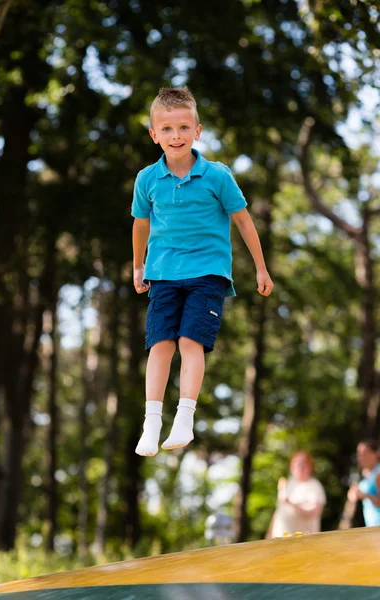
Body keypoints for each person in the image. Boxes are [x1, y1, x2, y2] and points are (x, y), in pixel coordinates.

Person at [132, 86, 274, 457]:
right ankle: (151, 420)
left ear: (197, 131)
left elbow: (243, 221)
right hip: (162, 272)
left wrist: (261, 268)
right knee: (160, 344)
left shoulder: (217, 176)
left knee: (189, 342)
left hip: (207, 273)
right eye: (166, 129)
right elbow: (140, 225)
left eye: (183, 127)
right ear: (154, 134)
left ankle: (184, 416)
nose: (175, 136)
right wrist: (138, 264)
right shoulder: (147, 179)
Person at [266, 451, 326, 538]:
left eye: (303, 463)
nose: (300, 466)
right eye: (297, 463)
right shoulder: (289, 484)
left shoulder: (314, 485)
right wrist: (268, 535)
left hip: (303, 542)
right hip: (279, 540)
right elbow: (278, 512)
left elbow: (315, 511)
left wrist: (291, 503)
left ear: (310, 467)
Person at [347, 440, 380, 527]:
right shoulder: (362, 473)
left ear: (376, 453)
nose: (361, 458)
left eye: (365, 454)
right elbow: (352, 497)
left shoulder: (378, 473)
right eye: (359, 454)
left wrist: (365, 496)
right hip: (371, 525)